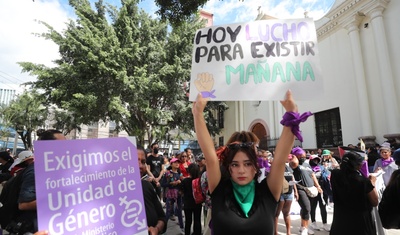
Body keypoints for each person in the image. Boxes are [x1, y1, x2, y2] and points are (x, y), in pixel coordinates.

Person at [192, 90, 311, 235]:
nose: (241, 170)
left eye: (248, 164)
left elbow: (280, 160)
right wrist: (198, 114)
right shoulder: (219, 190)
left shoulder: (268, 191)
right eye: (235, 164)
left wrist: (292, 113)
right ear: (229, 168)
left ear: (256, 167)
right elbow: (210, 159)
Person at [17, 129, 66, 234]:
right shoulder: (35, 170)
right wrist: (61, 201)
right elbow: (23, 204)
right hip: (38, 227)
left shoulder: (61, 167)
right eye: (63, 144)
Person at [330, 151, 378, 235]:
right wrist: (372, 184)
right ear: (359, 165)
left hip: (340, 220)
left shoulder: (335, 175)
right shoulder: (362, 181)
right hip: (360, 222)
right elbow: (374, 201)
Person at [137, 146, 167, 235]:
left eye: (143, 162)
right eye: (134, 161)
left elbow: (162, 218)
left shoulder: (147, 186)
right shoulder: (109, 196)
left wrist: (156, 229)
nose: (140, 166)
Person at [290, 154, 322, 235]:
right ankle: (305, 228)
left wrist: (318, 186)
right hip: (301, 189)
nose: (303, 157)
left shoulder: (307, 165)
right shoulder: (295, 166)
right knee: (307, 208)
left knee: (305, 209)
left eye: (304, 156)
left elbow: (312, 175)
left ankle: (302, 226)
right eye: (301, 156)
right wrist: (294, 155)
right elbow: (294, 162)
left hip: (311, 189)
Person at [274, 154, 297, 235]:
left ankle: (288, 232)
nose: (288, 160)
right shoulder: (277, 167)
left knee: (286, 213)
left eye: (289, 159)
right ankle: (275, 232)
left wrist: (296, 191)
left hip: (289, 193)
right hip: (280, 193)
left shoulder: (290, 168)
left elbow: (293, 179)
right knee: (277, 213)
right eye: (288, 158)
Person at [308, 155, 331, 232]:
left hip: (322, 191)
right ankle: (313, 222)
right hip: (313, 191)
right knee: (313, 207)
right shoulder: (307, 168)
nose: (316, 161)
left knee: (323, 207)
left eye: (317, 160)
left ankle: (325, 223)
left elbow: (327, 176)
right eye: (314, 160)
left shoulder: (322, 168)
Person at [161, 157, 184, 233]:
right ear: (171, 164)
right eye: (175, 162)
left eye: (178, 162)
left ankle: (182, 227)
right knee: (168, 212)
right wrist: (171, 183)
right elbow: (163, 184)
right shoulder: (168, 173)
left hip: (178, 194)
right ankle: (163, 229)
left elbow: (183, 183)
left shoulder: (180, 174)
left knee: (179, 210)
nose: (177, 164)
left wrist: (181, 182)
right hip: (170, 195)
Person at [181, 164, 202, 235]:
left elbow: (181, 192)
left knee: (188, 221)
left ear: (189, 171)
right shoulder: (199, 181)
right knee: (197, 220)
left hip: (187, 204)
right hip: (198, 203)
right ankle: (197, 233)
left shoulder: (185, 181)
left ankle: (187, 233)